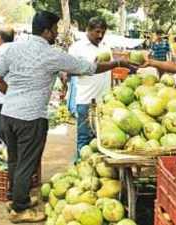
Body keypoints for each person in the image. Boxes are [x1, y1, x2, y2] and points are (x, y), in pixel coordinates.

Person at [0, 11, 134, 223]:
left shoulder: (13, 49)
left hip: (8, 114)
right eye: (55, 29)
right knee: (26, 164)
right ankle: (20, 209)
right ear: (47, 31)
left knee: (14, 159)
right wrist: (116, 64)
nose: (57, 33)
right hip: (31, 118)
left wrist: (13, 96)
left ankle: (14, 198)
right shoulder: (52, 54)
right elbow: (89, 68)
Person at [68, 17, 112, 160]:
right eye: (97, 32)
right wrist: (90, 67)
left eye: (103, 32)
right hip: (86, 100)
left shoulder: (105, 46)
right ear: (88, 30)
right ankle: (80, 167)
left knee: (101, 138)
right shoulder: (77, 47)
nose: (100, 35)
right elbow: (68, 71)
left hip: (105, 102)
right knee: (84, 138)